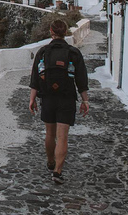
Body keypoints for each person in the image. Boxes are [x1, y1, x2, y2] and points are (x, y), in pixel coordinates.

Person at [28, 19, 89, 184]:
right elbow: (81, 79)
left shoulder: (43, 52)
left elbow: (35, 78)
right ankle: (57, 172)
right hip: (67, 98)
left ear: (50, 31)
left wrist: (32, 99)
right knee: (63, 137)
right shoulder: (73, 53)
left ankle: (50, 161)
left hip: (48, 97)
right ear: (66, 32)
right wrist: (85, 101)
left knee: (50, 134)